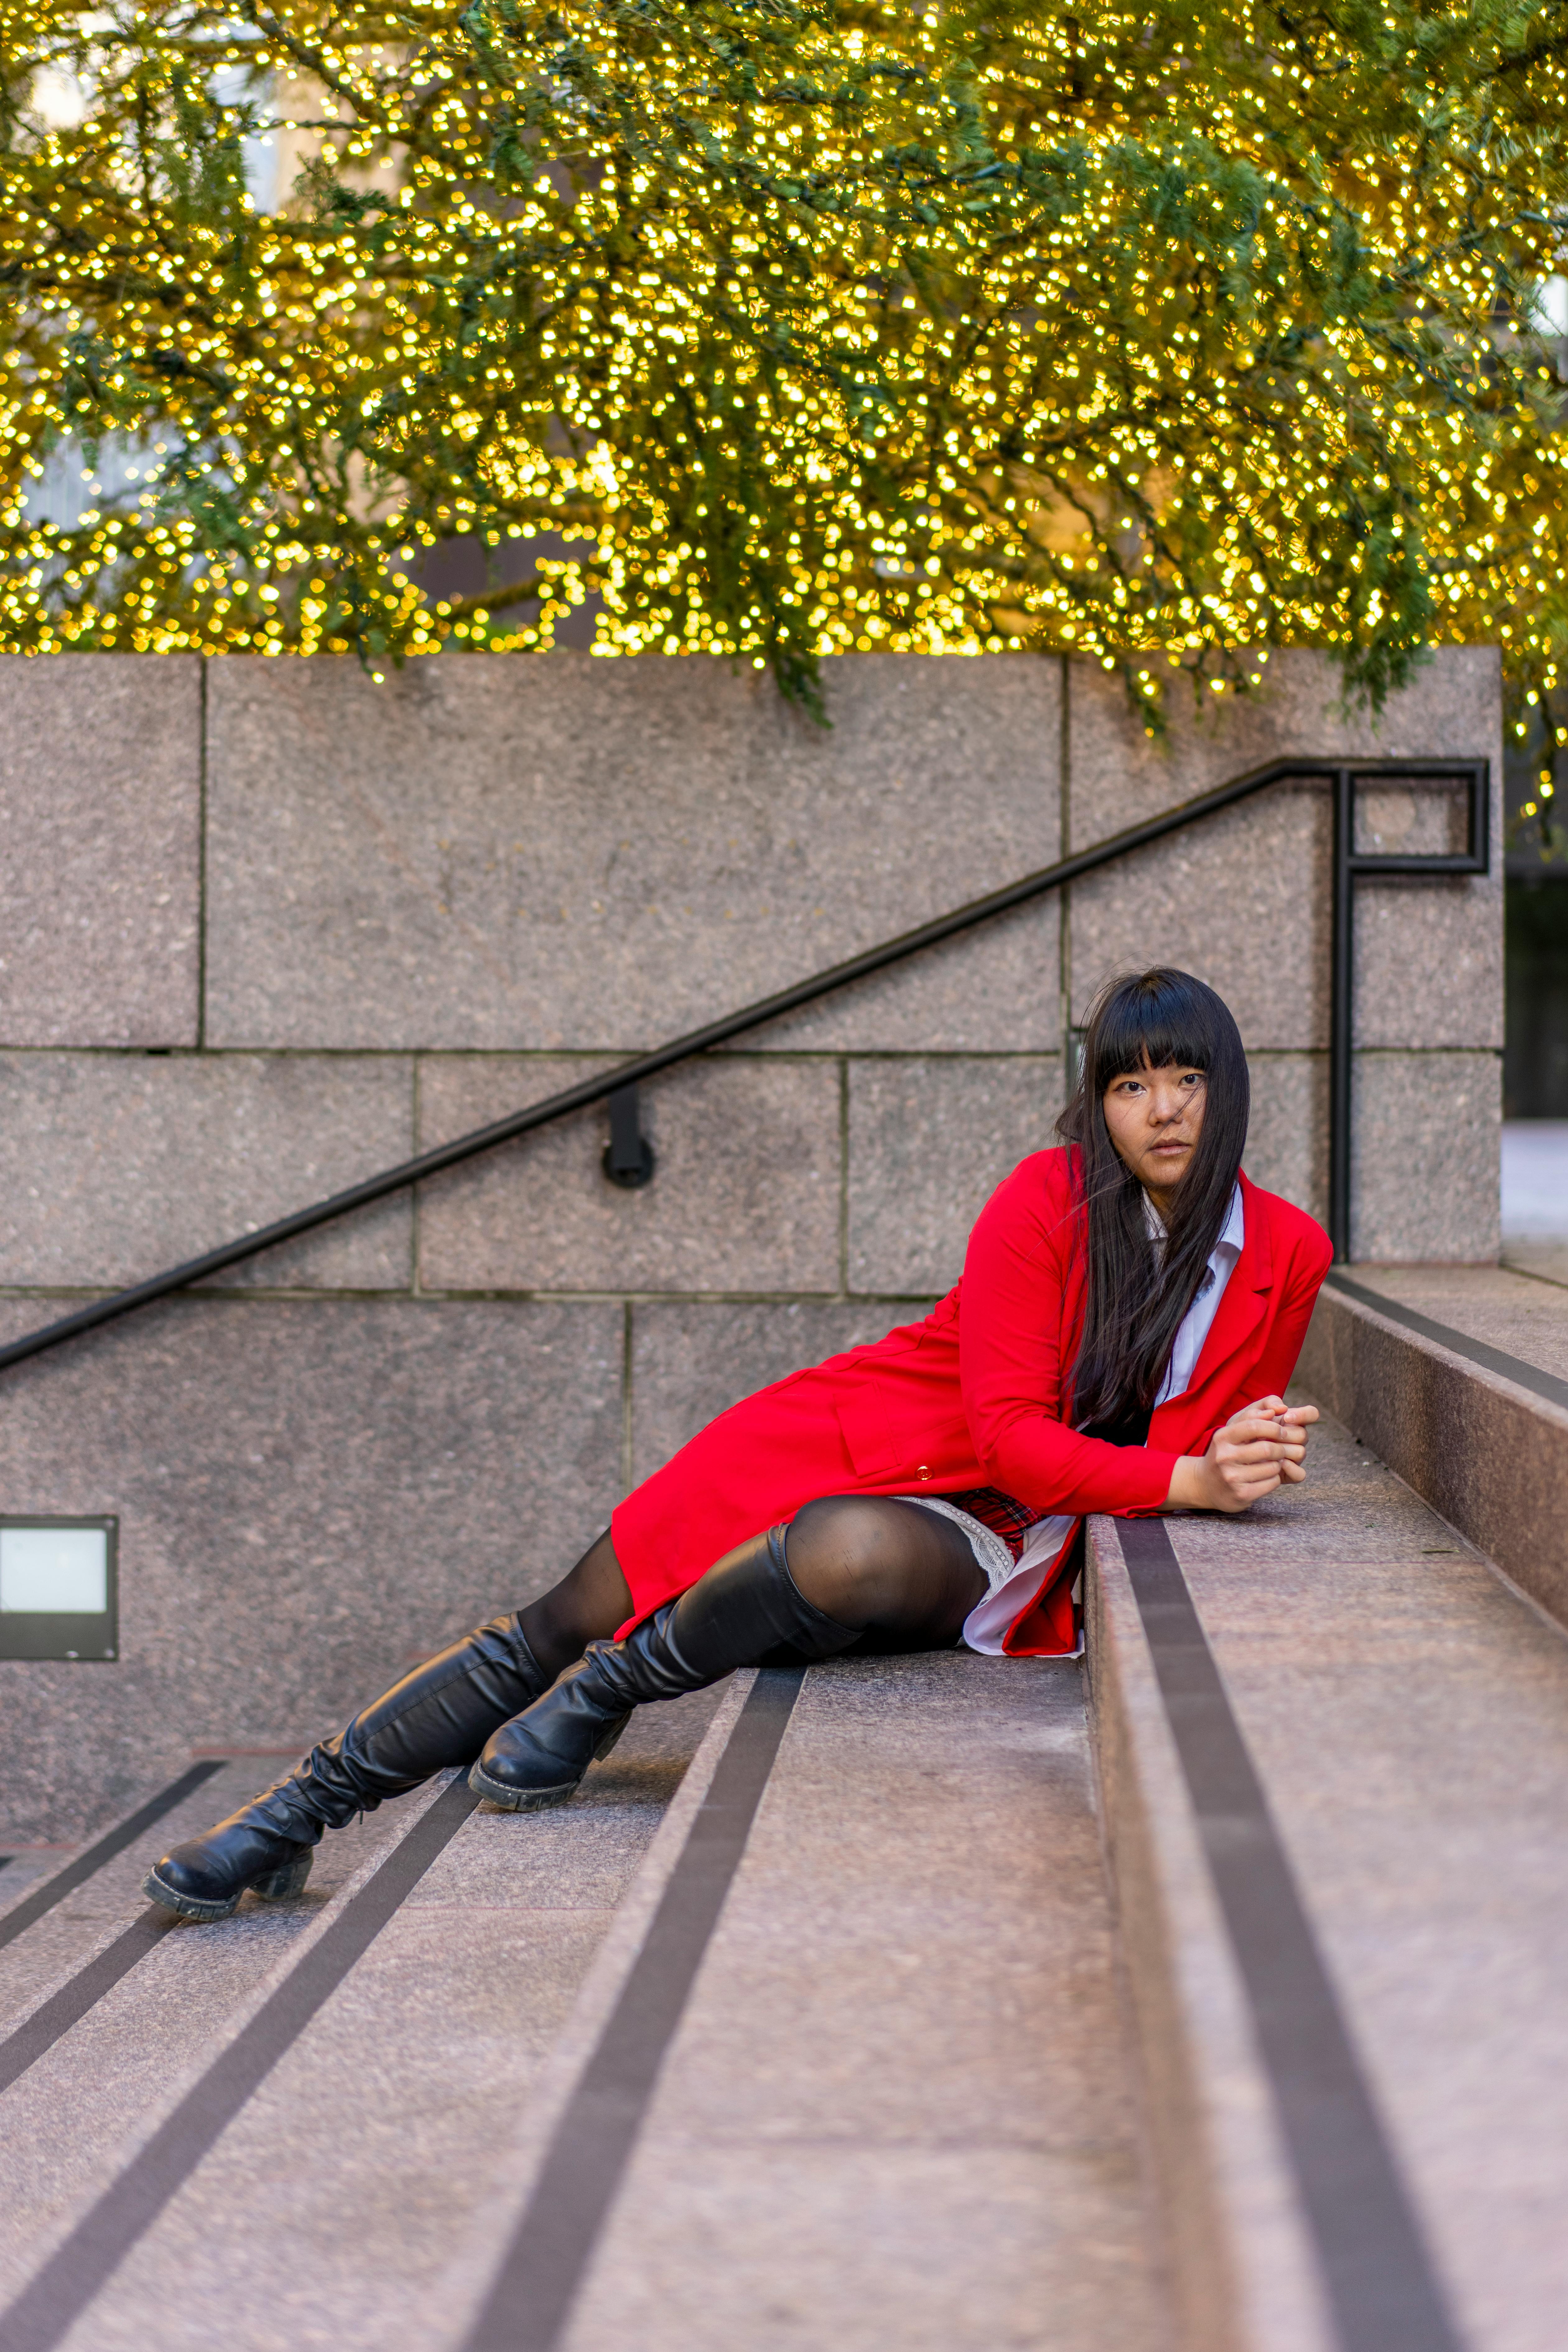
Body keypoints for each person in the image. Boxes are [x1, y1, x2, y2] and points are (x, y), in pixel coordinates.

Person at [144, 966, 1332, 1922]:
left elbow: (1200, 1432)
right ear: (1098, 1103)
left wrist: (1238, 1453)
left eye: (1186, 1078)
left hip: (1019, 1535)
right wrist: (1188, 1476)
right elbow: (1012, 1434)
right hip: (882, 1433)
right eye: (1131, 1086)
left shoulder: (1286, 1252)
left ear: (1229, 1090)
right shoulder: (1043, 1198)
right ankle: (297, 1809)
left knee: (840, 1552)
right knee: (563, 1610)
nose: (1163, 1108)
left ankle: (624, 1680)